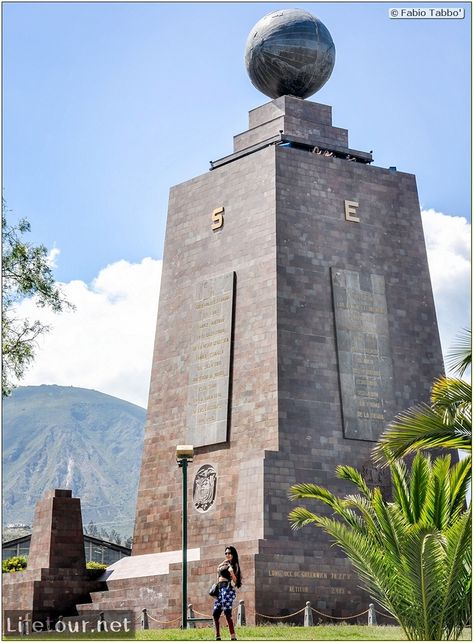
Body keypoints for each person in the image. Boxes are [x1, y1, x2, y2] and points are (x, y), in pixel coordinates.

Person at [212, 545, 242, 641]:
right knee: (215, 613)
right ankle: (217, 636)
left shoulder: (234, 565)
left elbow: (236, 581)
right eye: (226, 553)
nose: (227, 555)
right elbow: (218, 576)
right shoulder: (223, 564)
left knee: (227, 613)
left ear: (233, 554)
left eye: (229, 553)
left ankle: (233, 637)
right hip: (220, 589)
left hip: (227, 589)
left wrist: (231, 572)